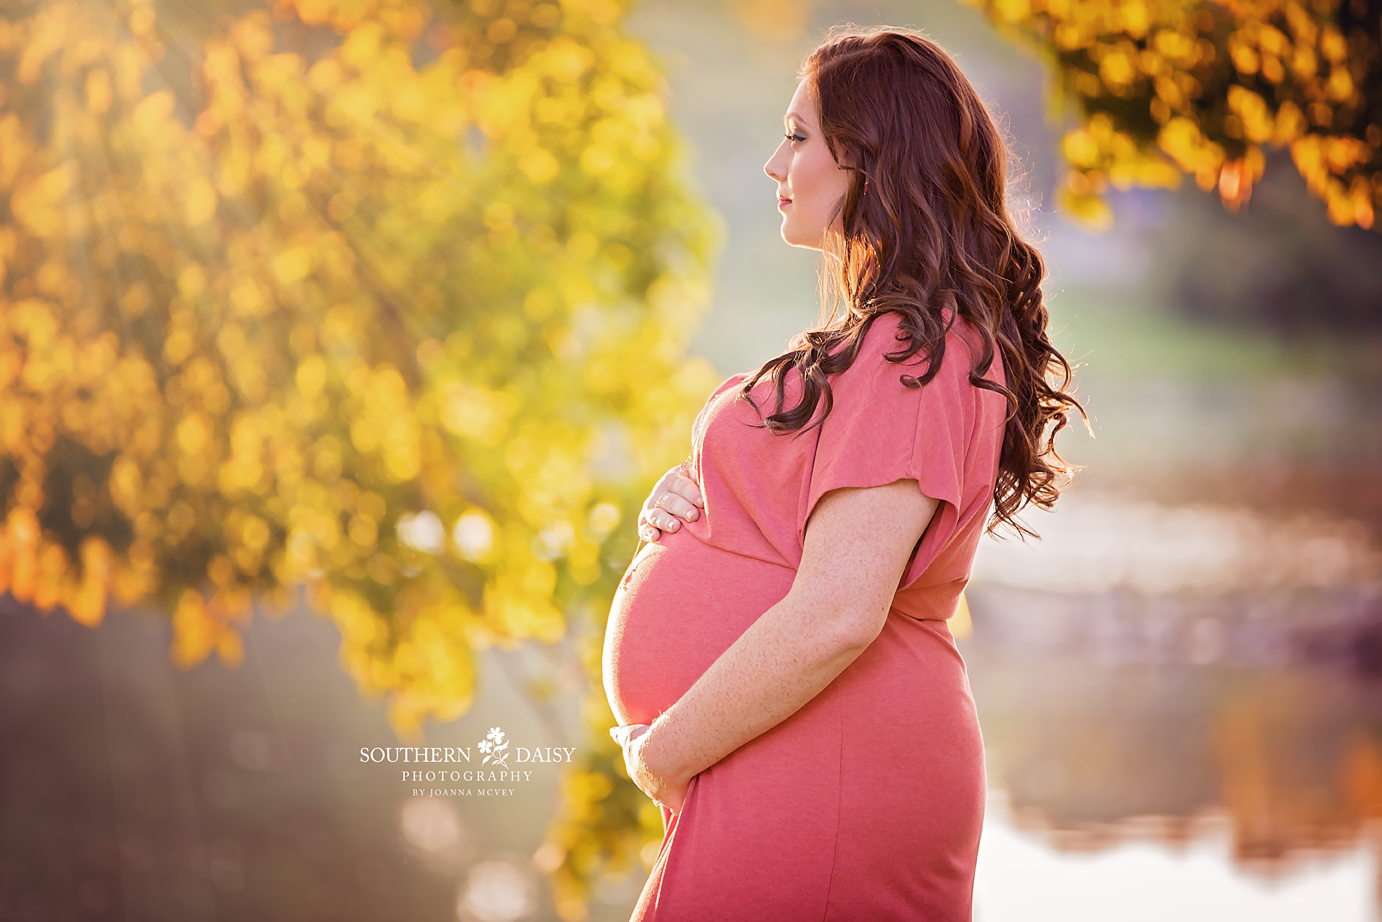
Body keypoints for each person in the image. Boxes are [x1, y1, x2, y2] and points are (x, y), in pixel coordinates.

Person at [603, 27, 1081, 921]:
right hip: (789, 754)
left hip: (827, 766)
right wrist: (696, 508)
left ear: (865, 160)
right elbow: (806, 533)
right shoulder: (888, 341)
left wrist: (664, 753)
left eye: (796, 135)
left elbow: (837, 611)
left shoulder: (916, 348)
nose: (774, 160)